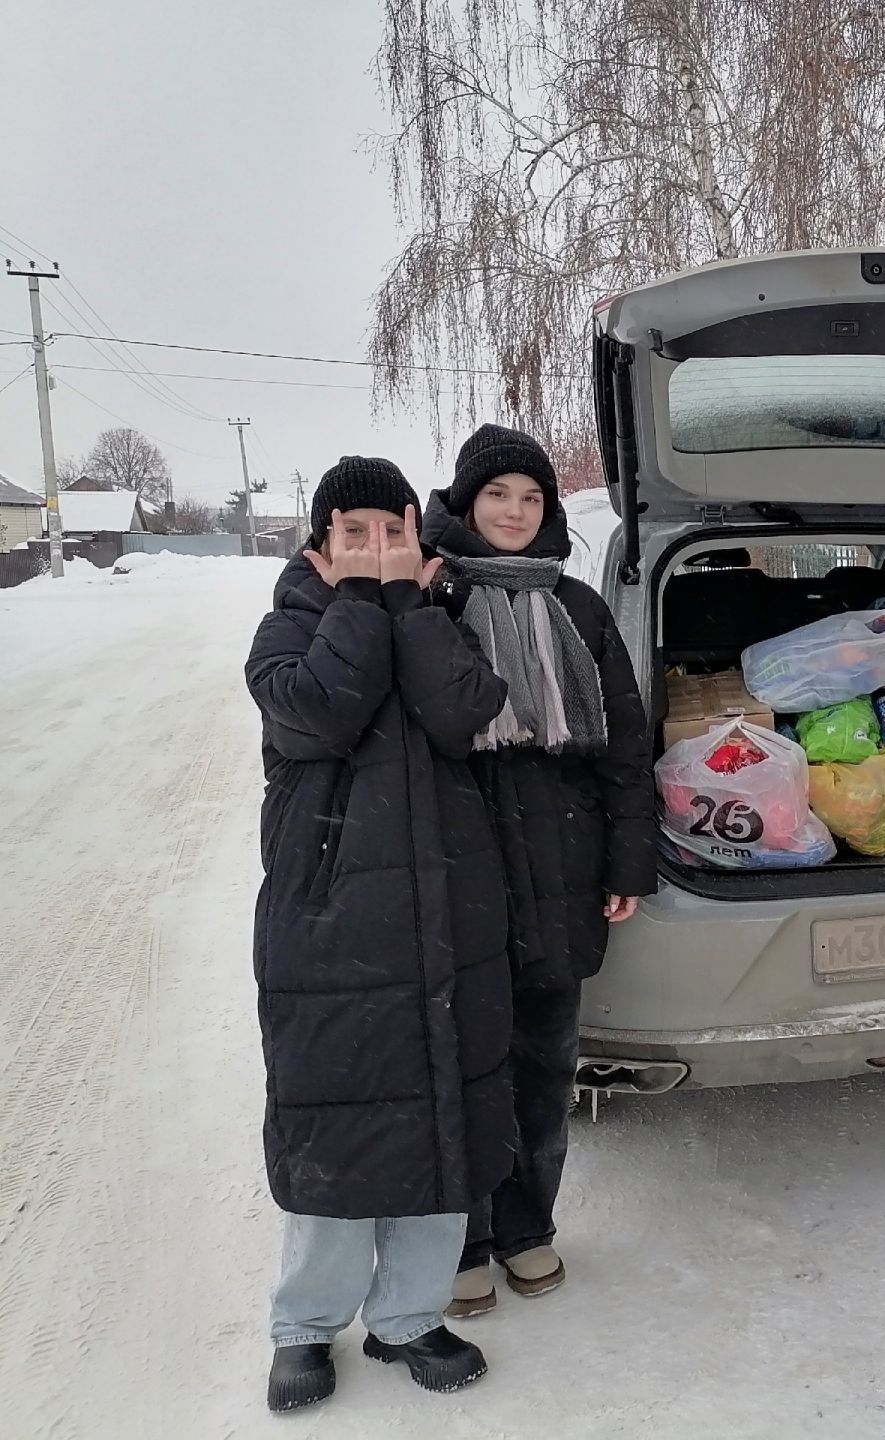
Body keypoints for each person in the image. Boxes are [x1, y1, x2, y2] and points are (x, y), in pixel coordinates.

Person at [246, 457, 516, 1413]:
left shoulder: (434, 619)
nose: (371, 548)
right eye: (350, 534)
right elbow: (322, 712)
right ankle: (306, 1324)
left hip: (445, 909)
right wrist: (367, 598)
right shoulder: (287, 627)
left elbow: (466, 712)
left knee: (441, 1110)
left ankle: (407, 1315)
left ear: (416, 535)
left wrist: (410, 609)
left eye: (389, 531)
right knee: (338, 1118)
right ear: (319, 546)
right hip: (330, 916)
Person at [420, 424, 654, 1319]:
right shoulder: (431, 604)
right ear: (465, 505)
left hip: (563, 872)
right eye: (497, 497)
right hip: (463, 877)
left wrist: (628, 858)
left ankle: (529, 1230)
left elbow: (624, 750)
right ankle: (466, 1241)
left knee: (545, 1073)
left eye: (531, 498)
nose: (515, 512)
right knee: (466, 1069)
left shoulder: (582, 609)